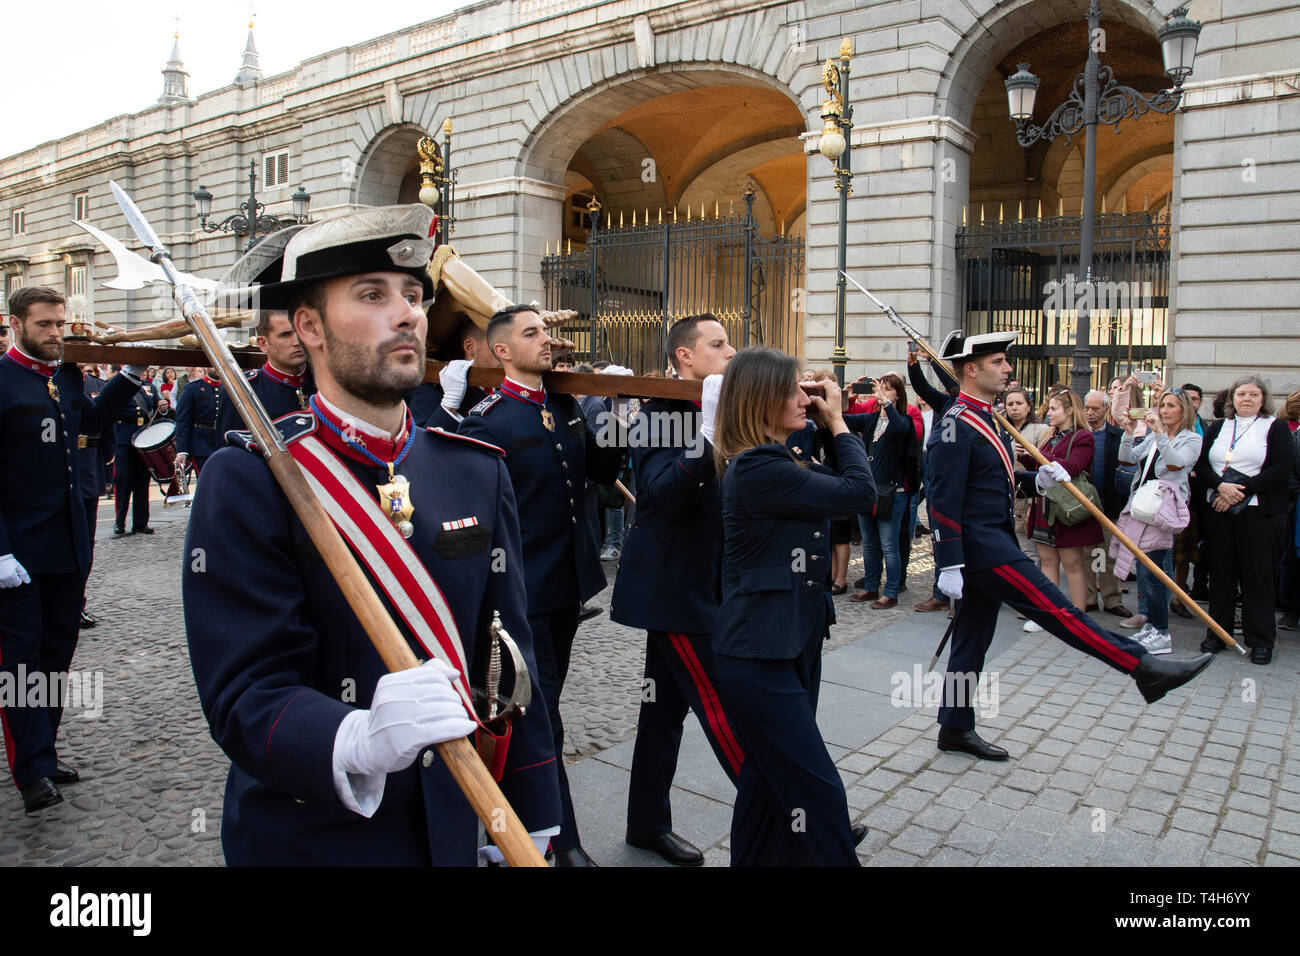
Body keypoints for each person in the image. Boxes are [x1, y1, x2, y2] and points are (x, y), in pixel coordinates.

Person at [182, 204, 561, 864]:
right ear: (309, 327)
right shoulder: (247, 480)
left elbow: (512, 655)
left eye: (413, 295)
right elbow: (244, 693)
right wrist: (353, 738)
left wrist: (530, 807)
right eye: (372, 294)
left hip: (455, 815)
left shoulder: (475, 470)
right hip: (315, 831)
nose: (407, 311)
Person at [928, 329, 1213, 761]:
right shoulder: (956, 421)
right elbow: (942, 495)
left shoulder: (983, 415)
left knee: (970, 640)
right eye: (998, 362)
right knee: (1059, 612)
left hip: (991, 540)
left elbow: (987, 482)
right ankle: (1143, 668)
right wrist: (948, 561)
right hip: (981, 550)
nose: (1008, 368)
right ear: (971, 369)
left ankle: (954, 726)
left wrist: (1035, 481)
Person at [458, 304, 626, 866]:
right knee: (543, 714)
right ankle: (563, 841)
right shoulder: (488, 417)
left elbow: (601, 477)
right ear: (502, 350)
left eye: (546, 331)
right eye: (532, 334)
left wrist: (616, 418)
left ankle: (526, 823)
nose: (546, 340)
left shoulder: (566, 403)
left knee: (543, 707)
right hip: (522, 594)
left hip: (569, 588)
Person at [711, 347, 875, 865]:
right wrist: (839, 422)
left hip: (791, 638)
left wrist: (827, 424)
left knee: (765, 785)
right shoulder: (759, 467)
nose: (805, 397)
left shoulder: (778, 457)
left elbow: (831, 478)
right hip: (759, 654)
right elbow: (859, 492)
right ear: (762, 400)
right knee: (818, 791)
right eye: (793, 390)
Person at [610, 313, 744, 866]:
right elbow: (658, 498)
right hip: (676, 591)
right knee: (723, 706)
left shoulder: (715, 407)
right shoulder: (660, 412)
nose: (731, 351)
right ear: (684, 356)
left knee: (661, 711)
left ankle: (646, 824)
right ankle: (798, 809)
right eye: (717, 344)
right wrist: (707, 440)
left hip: (706, 581)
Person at [1, 286, 142, 812]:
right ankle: (31, 769)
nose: (57, 333)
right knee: (21, 664)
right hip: (17, 554)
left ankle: (46, 750)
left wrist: (127, 378)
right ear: (15, 324)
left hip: (67, 545)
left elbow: (94, 424)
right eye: (45, 325)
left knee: (57, 656)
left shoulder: (65, 377)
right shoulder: (2, 382)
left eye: (61, 323)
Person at [1196, 375, 1295, 665]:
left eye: (1254, 394)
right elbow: (1202, 465)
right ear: (1232, 399)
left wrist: (1241, 490)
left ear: (1263, 399)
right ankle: (1218, 634)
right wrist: (1220, 486)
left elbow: (1283, 467)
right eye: (1241, 394)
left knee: (1257, 577)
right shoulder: (1218, 426)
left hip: (1259, 513)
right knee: (1221, 575)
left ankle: (1261, 641)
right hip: (1220, 511)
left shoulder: (1273, 427)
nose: (1247, 399)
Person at [1112, 389, 1202, 655]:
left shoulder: (1192, 439)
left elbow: (1175, 465)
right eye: (1162, 405)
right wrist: (1128, 433)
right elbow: (1127, 458)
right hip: (1143, 507)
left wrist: (1161, 435)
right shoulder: (1153, 437)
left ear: (1184, 411)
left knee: (1156, 572)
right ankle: (1152, 625)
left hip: (1163, 511)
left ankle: (1161, 632)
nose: (1164, 411)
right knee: (1147, 569)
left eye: (1171, 406)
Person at [1021, 390, 1102, 631]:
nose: (1049, 414)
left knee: (1072, 562)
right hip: (1045, 504)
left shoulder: (1083, 436)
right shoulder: (1050, 435)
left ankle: (1077, 616)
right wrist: (1028, 458)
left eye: (1054, 409)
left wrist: (1039, 455)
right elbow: (1041, 467)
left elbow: (1075, 466)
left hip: (1067, 507)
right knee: (1047, 561)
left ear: (1069, 411)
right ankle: (1048, 615)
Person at [847, 373, 914, 609]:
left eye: (888, 389)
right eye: (880, 388)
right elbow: (843, 419)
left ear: (898, 394)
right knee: (869, 544)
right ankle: (871, 587)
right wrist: (846, 397)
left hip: (893, 492)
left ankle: (892, 591)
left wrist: (886, 402)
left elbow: (901, 430)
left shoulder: (903, 420)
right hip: (869, 490)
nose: (882, 392)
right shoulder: (871, 419)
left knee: (889, 545)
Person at [214, 310, 315, 444]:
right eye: (285, 335)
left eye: (299, 332)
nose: (297, 341)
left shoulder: (324, 382)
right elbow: (228, 454)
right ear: (263, 343)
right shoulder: (243, 390)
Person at [1082, 389, 1133, 618]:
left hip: (1110, 504)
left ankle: (1112, 599)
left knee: (1108, 554)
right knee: (1086, 554)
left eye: (1095, 408)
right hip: (1082, 506)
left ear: (1106, 409)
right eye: (1087, 408)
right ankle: (1089, 598)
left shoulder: (1117, 435)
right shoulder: (1078, 433)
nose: (1090, 413)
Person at [409, 313, 498, 430]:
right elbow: (417, 442)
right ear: (469, 346)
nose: (502, 350)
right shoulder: (433, 388)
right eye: (495, 343)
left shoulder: (501, 386)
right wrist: (449, 406)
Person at [76, 364, 114, 629]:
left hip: (89, 471)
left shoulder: (97, 386)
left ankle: (78, 604)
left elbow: (106, 428)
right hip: (63, 471)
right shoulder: (52, 381)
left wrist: (108, 469)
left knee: (85, 548)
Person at [1003, 385, 1048, 567]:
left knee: (1028, 550)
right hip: (1006, 493)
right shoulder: (1001, 429)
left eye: (1019, 403)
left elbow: (1045, 464)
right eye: (1010, 404)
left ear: (1028, 406)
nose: (1014, 407)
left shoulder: (1041, 429)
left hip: (1028, 496)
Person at [174, 369, 222, 477]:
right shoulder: (192, 389)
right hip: (201, 444)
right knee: (206, 482)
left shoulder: (228, 389)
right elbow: (183, 420)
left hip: (222, 442)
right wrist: (182, 450)